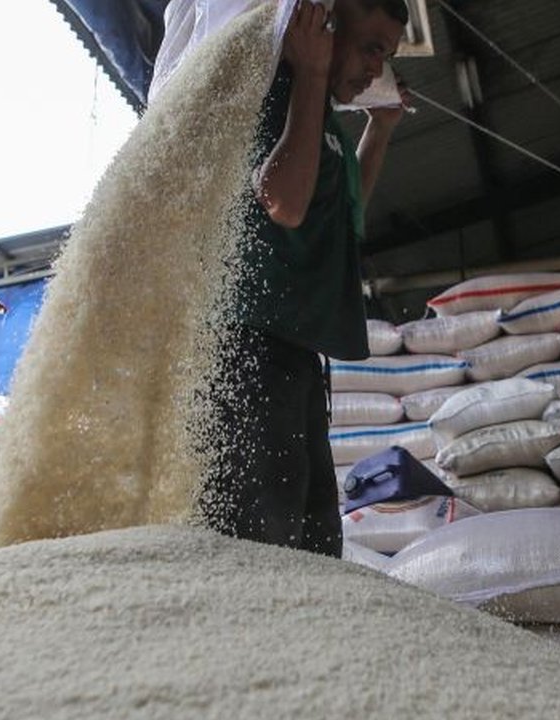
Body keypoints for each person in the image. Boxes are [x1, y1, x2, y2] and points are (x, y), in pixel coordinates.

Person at [200, 0, 409, 557]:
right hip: (248, 347)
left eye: (384, 57)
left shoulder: (326, 123)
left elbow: (344, 212)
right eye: (370, 48)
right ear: (326, 25)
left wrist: (381, 128)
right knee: (260, 541)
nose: (374, 69)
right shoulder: (278, 89)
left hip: (296, 356)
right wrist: (312, 73)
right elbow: (284, 201)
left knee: (315, 543)